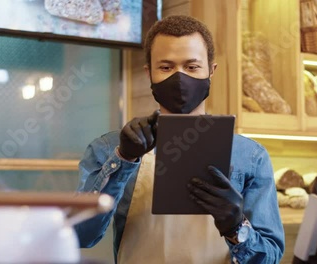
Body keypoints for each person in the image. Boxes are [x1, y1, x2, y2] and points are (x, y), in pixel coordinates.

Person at [74, 15, 285, 264]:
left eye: (192, 67)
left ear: (211, 70)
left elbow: (270, 257)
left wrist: (236, 226)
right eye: (166, 67)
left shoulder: (250, 157)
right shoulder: (109, 148)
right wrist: (124, 157)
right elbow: (81, 235)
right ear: (149, 73)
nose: (179, 78)